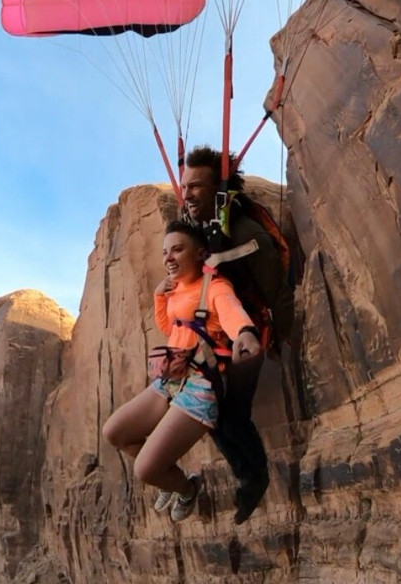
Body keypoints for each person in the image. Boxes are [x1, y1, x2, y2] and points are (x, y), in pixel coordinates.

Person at [102, 220, 262, 522]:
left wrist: (244, 331)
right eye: (165, 252)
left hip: (201, 386)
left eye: (177, 249)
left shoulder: (214, 287)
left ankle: (186, 488)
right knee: (115, 432)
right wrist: (159, 297)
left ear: (200, 254)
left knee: (145, 469)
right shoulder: (176, 290)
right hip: (171, 379)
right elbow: (170, 328)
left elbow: (229, 309)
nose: (168, 258)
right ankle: (170, 477)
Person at [180, 146, 293, 524]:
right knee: (216, 412)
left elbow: (265, 257)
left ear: (219, 188)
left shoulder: (240, 226)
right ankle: (249, 476)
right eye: (185, 187)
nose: (188, 194)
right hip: (224, 334)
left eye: (197, 186)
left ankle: (254, 476)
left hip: (250, 330)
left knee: (228, 412)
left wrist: (221, 257)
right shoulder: (206, 228)